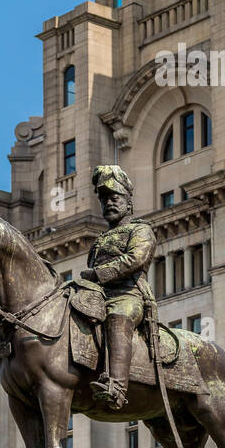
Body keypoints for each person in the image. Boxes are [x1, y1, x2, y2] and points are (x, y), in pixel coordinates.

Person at [85, 165, 157, 411]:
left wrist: (100, 273)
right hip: (98, 296)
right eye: (104, 200)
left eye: (115, 198)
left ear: (128, 202)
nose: (109, 204)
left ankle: (116, 387)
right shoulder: (100, 239)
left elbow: (136, 259)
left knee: (118, 318)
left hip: (129, 294)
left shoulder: (141, 229)